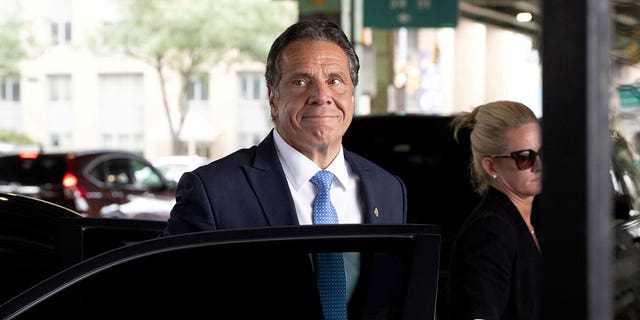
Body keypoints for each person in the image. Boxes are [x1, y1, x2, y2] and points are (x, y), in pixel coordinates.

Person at [163, 19, 408, 319]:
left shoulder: (388, 190)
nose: (321, 95)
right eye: (300, 82)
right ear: (272, 98)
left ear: (351, 95)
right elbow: (171, 303)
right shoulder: (213, 192)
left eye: (335, 80)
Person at [447, 100, 542, 320]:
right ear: (491, 166)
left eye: (542, 151)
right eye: (525, 157)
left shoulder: (530, 220)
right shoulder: (492, 230)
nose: (539, 164)